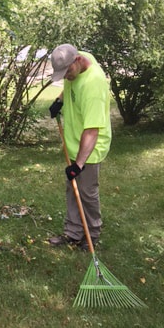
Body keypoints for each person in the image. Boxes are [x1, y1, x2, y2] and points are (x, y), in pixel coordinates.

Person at [48, 44, 111, 251]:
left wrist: (79, 164)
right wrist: (60, 101)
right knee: (72, 188)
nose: (65, 77)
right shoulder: (80, 57)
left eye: (67, 72)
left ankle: (92, 235)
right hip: (75, 142)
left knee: (86, 192)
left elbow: (92, 131)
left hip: (90, 148)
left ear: (76, 61)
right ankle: (73, 233)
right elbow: (70, 86)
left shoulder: (94, 85)